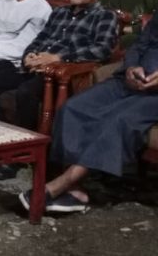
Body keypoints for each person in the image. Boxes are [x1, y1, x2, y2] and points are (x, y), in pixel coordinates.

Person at [0, 0, 117, 180]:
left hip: (65, 77)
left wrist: (57, 58)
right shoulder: (60, 12)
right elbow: (40, 39)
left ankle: (21, 156)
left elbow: (101, 50)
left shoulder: (105, 16)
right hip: (37, 69)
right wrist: (30, 56)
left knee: (25, 93)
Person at [19, 14, 158, 213]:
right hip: (132, 80)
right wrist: (131, 67)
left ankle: (62, 183)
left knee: (119, 119)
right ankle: (76, 190)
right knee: (73, 107)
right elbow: (140, 44)